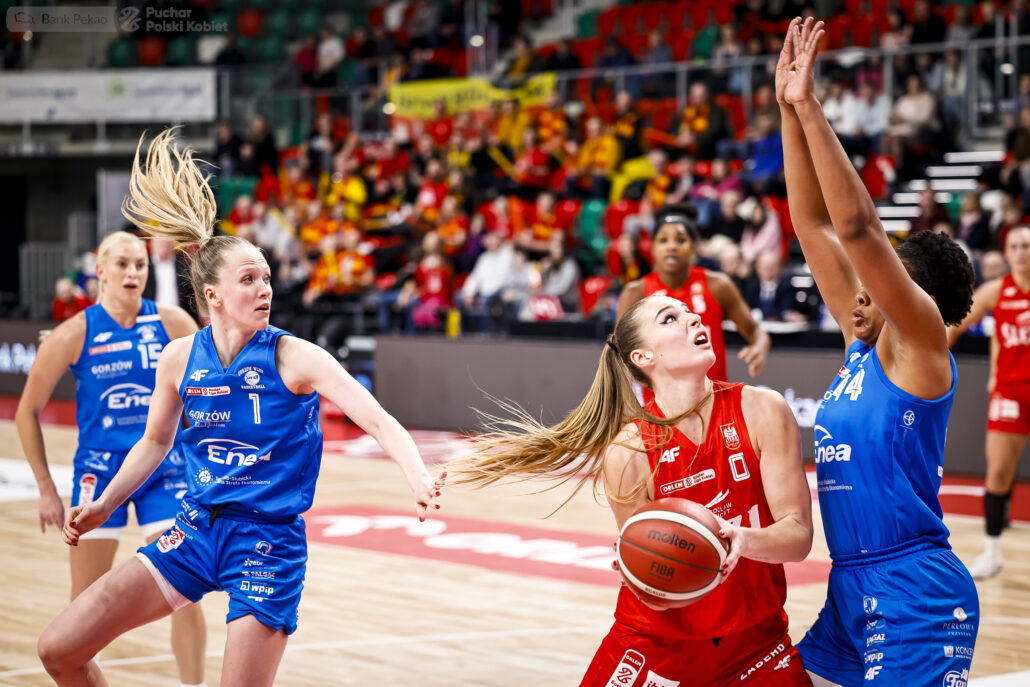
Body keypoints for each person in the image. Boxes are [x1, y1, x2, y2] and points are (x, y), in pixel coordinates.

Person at [35, 129, 444, 686]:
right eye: (248, 279)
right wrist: (106, 504)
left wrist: (417, 473)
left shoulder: (293, 356)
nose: (264, 289)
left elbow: (376, 417)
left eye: (267, 278)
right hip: (194, 531)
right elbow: (154, 442)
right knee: (58, 649)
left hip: (266, 544)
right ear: (213, 295)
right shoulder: (179, 359)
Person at [450, 293, 814, 686]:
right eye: (670, 318)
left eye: (690, 312)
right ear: (643, 357)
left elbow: (798, 536)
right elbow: (654, 583)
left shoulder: (762, 409)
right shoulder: (629, 450)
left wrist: (744, 539)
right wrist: (642, 572)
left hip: (757, 646)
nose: (694, 318)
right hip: (658, 644)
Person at [778, 18, 979, 685]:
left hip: (914, 589)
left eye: (874, 284)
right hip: (850, 585)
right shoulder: (862, 344)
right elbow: (812, 224)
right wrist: (787, 112)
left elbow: (858, 228)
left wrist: (813, 106)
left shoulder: (920, 343)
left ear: (910, 295)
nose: (853, 295)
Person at [16, 230, 207, 687]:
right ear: (100, 270)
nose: (132, 273)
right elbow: (26, 411)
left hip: (163, 471)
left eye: (140, 264)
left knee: (187, 594)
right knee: (84, 609)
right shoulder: (73, 333)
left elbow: (215, 380)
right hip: (99, 475)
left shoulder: (172, 322)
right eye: (122, 264)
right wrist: (46, 487)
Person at [947, 225, 1030, 579]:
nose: (1021, 251)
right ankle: (992, 552)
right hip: (1010, 392)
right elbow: (953, 327)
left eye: (1026, 245)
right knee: (997, 471)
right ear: (1006, 253)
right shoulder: (996, 290)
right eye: (1015, 246)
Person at [617, 204, 771, 382]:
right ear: (652, 248)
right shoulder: (635, 293)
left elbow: (755, 331)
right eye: (663, 240)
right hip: (659, 398)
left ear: (694, 247)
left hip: (713, 394)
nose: (671, 246)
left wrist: (759, 347)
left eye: (680, 240)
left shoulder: (718, 285)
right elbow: (618, 349)